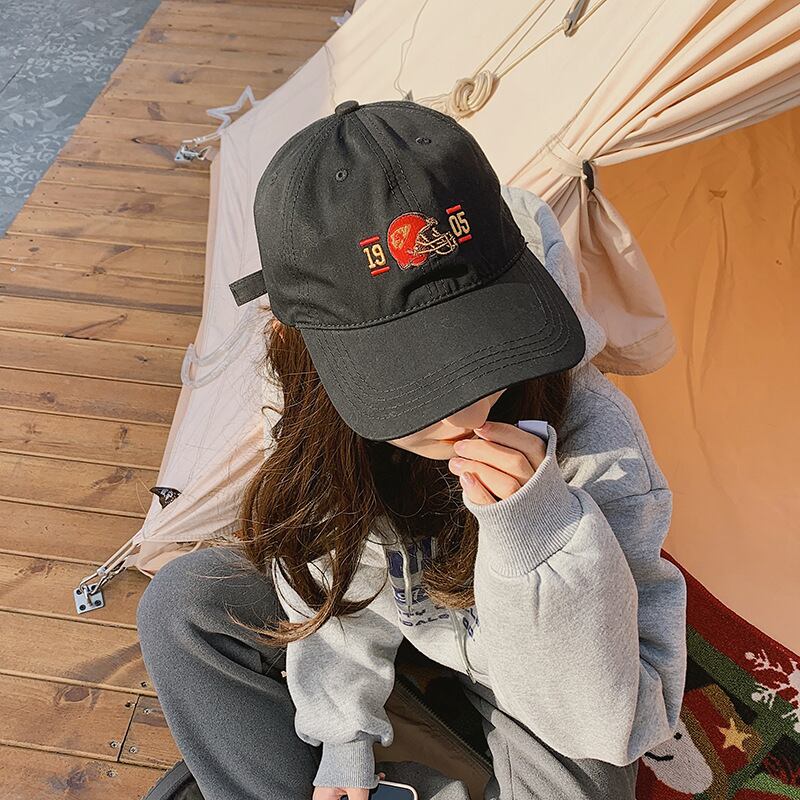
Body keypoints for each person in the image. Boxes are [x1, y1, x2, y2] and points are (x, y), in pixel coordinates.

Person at [136, 99, 688, 800]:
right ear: (310, 353)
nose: (459, 408)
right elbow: (327, 574)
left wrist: (540, 538)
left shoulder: (597, 439)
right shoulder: (318, 412)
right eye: (408, 376)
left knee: (588, 784)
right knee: (185, 601)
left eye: (485, 348)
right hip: (398, 620)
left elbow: (608, 722)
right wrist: (343, 738)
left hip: (542, 675)